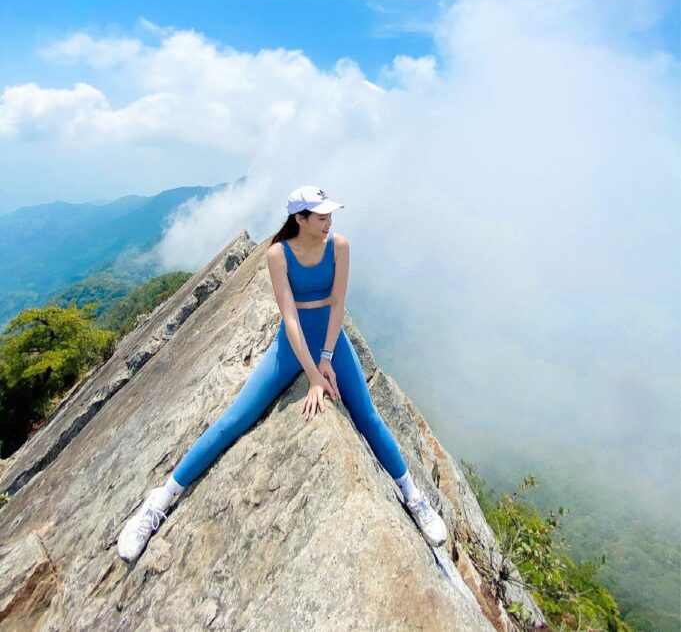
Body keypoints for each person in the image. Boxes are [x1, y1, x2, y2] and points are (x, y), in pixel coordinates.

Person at [117, 185, 447, 562]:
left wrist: (326, 358)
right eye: (321, 217)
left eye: (329, 216)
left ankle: (414, 498)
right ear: (300, 219)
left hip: (330, 340)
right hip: (291, 346)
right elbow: (290, 317)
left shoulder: (339, 245)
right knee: (235, 419)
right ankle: (159, 501)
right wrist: (313, 375)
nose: (329, 222)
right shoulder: (278, 254)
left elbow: (339, 303)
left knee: (368, 416)